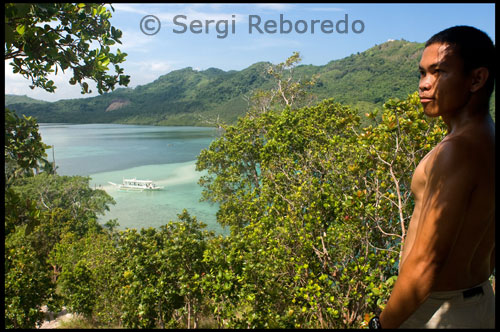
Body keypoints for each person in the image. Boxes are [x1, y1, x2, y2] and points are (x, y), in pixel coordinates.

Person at [369, 26, 495, 329]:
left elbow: (426, 264)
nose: (424, 85)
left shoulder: (457, 151)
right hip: (480, 302)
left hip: (439, 312)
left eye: (438, 72)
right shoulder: (487, 139)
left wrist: (381, 325)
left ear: (476, 79)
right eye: (422, 74)